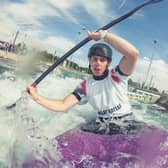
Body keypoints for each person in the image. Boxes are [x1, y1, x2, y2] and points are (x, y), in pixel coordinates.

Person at [27, 30, 146, 135]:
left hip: (126, 122)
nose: (97, 63)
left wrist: (104, 35)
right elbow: (63, 105)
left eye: (102, 60)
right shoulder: (84, 86)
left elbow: (133, 54)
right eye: (94, 59)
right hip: (103, 125)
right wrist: (36, 97)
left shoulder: (117, 75)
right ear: (89, 61)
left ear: (107, 63)